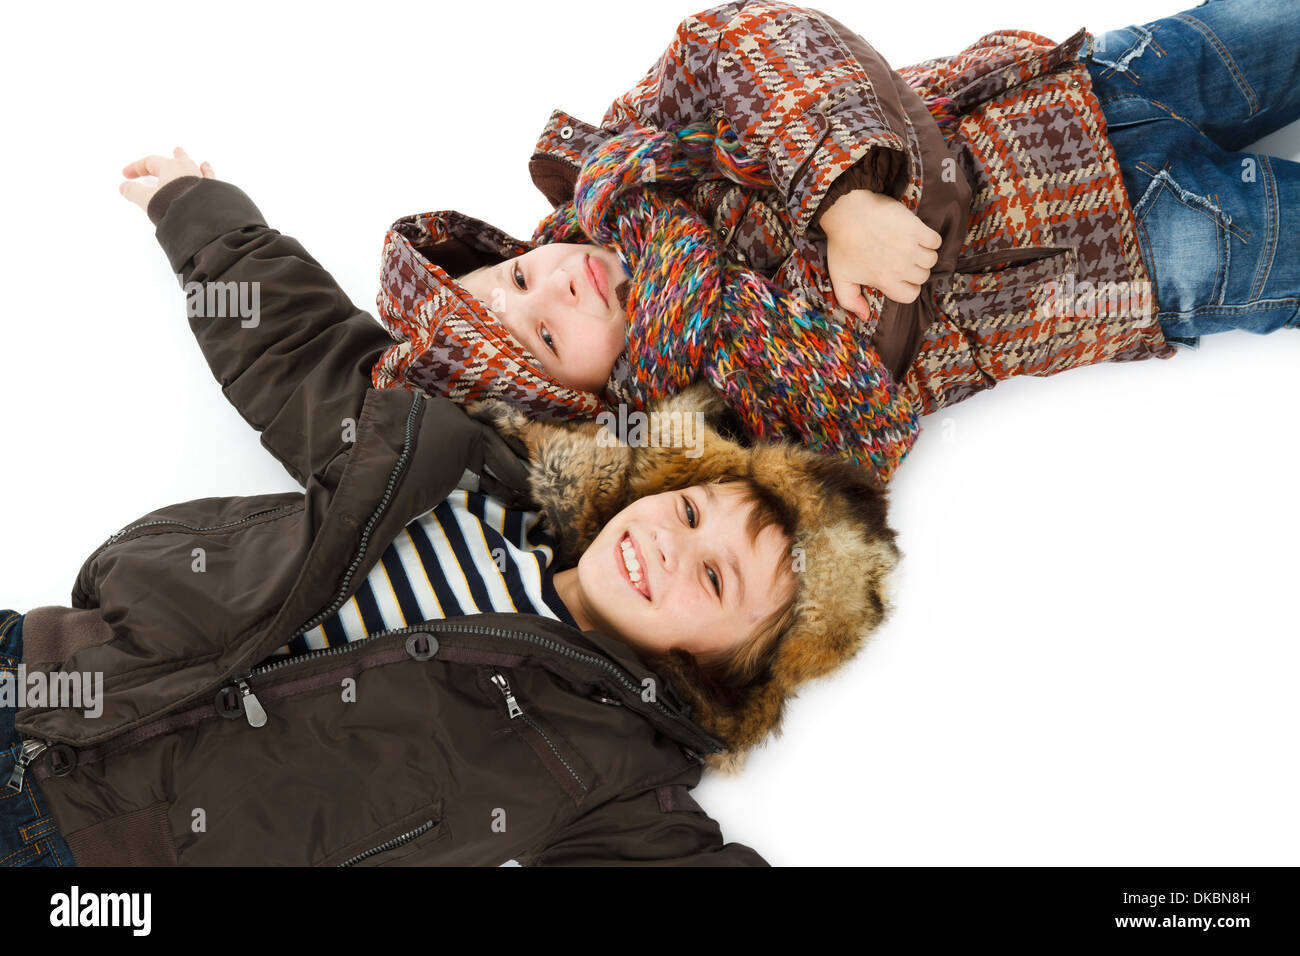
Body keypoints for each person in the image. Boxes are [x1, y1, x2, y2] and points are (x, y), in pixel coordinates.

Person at [0, 155, 903, 866]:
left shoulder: (612, 770)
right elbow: (306, 353)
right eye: (695, 510)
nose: (671, 543)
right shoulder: (466, 471)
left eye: (713, 578)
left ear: (722, 672)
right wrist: (201, 215)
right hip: (50, 668)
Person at [366, 0, 1299, 487]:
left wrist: (840, 199)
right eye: (542, 338)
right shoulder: (705, 421)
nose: (557, 288)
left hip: (1087, 84)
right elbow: (863, 429)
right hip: (1128, 256)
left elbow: (744, 38)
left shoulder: (626, 169)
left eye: (520, 273)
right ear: (569, 403)